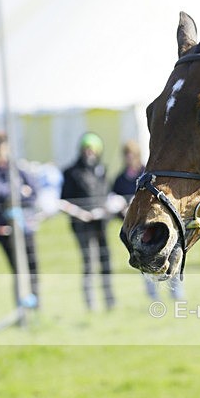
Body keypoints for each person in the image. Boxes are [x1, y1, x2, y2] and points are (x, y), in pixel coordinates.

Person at [111, 139, 185, 302]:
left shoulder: (147, 174)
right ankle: (154, 297)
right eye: (126, 154)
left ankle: (177, 294)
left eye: (131, 154)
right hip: (139, 230)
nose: (129, 157)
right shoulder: (120, 179)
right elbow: (113, 201)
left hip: (157, 225)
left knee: (170, 255)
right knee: (145, 261)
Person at [0, 130, 40, 304]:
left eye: (3, 144)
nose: (0, 149)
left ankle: (37, 308)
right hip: (5, 229)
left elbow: (34, 190)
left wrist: (17, 195)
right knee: (18, 270)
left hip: (26, 227)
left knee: (33, 268)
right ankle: (21, 310)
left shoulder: (17, 168)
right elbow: (0, 195)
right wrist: (20, 191)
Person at [61, 132, 115, 310]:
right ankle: (90, 304)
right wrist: (81, 213)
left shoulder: (101, 170)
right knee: (89, 262)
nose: (89, 152)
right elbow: (64, 200)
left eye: (92, 149)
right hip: (82, 224)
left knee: (106, 260)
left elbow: (105, 194)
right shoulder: (71, 172)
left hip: (101, 222)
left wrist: (106, 209)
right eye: (86, 148)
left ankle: (110, 301)